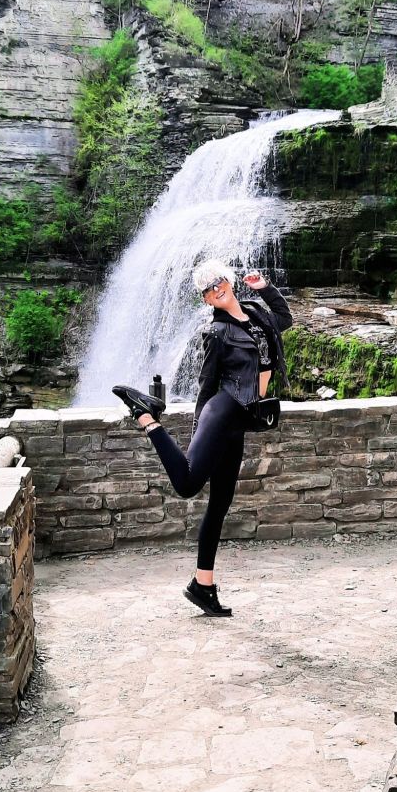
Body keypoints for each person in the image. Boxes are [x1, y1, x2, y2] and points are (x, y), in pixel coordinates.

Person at [112, 259, 293, 617]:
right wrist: (198, 431)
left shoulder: (257, 313)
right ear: (206, 300)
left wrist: (265, 288)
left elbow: (284, 319)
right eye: (208, 289)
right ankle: (146, 414)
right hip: (221, 411)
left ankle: (203, 585)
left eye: (218, 282)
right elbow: (206, 388)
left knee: (220, 503)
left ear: (228, 280)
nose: (215, 289)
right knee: (187, 483)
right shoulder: (216, 333)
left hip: (240, 419)